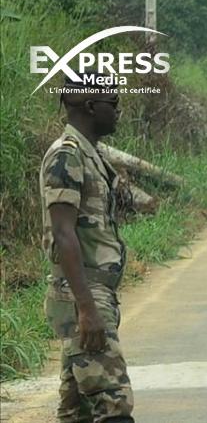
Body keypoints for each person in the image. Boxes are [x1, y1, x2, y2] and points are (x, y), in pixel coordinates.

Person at [40, 73, 134, 422]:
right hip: (82, 292)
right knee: (114, 405)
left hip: (90, 293)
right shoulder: (67, 155)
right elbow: (63, 233)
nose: (118, 111)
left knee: (76, 412)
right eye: (114, 103)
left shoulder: (88, 153)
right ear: (92, 106)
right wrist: (87, 307)